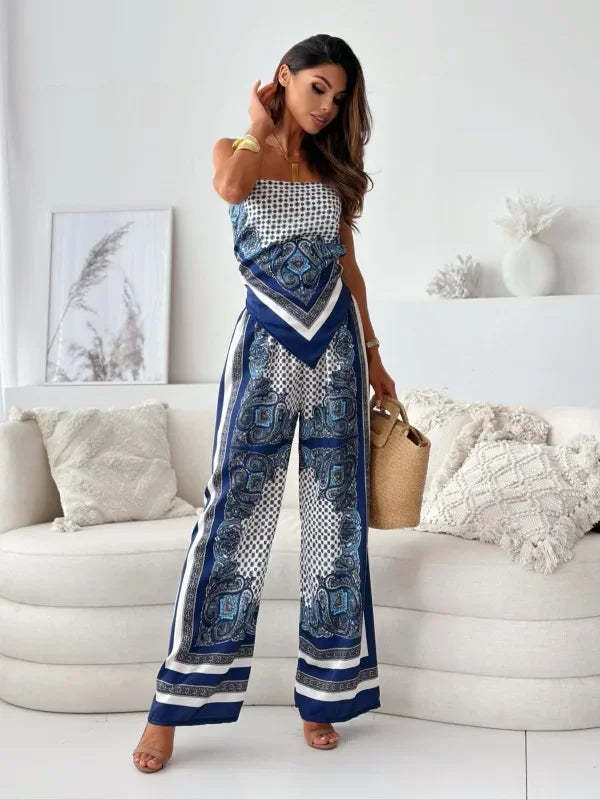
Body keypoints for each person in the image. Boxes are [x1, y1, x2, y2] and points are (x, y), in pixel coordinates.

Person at [133, 33, 397, 773]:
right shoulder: (238, 150)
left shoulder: (333, 169)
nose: (327, 106)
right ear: (285, 77)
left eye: (339, 97)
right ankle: (172, 708)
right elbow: (229, 189)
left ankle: (324, 695)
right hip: (263, 351)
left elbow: (349, 268)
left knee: (336, 522)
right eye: (317, 88)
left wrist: (376, 358)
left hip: (337, 353)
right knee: (232, 518)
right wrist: (259, 122)